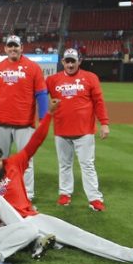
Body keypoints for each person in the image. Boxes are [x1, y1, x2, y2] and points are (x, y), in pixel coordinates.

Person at [0, 107, 133, 264]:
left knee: (78, 234)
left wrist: (49, 115)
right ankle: (36, 241)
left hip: (32, 218)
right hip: (7, 229)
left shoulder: (13, 164)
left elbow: (36, 141)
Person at [0, 35, 48, 200]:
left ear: (21, 47)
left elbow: (41, 94)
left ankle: (28, 194)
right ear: (5, 48)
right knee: (0, 161)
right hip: (2, 123)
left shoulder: (33, 67)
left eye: (16, 46)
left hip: (24, 123)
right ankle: (4, 191)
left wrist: (43, 119)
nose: (13, 49)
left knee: (26, 161)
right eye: (10, 46)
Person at [45, 48, 110, 210]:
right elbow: (38, 95)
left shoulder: (90, 77)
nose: (70, 64)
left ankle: (94, 198)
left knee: (87, 165)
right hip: (61, 130)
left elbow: (99, 102)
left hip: (85, 131)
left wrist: (104, 123)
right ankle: (65, 194)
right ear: (62, 62)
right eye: (67, 61)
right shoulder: (52, 80)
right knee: (64, 164)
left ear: (79, 61)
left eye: (73, 61)